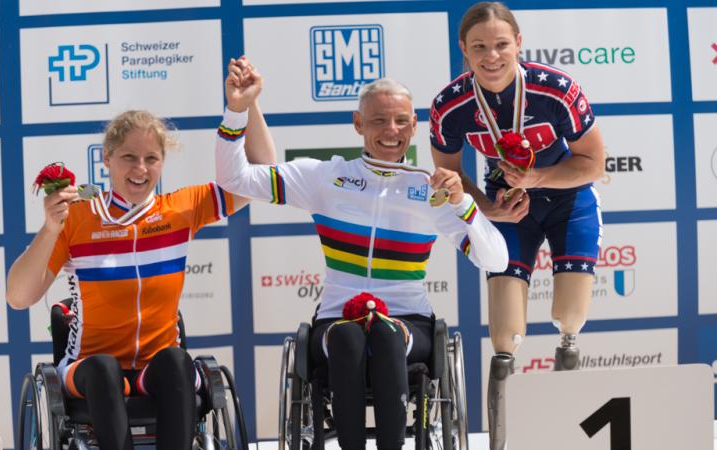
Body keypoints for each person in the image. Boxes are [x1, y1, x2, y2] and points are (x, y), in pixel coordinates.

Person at [216, 65, 508, 450]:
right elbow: (233, 179)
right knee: (350, 337)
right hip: (337, 320)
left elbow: (497, 261)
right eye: (379, 120)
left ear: (414, 127)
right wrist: (238, 111)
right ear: (358, 124)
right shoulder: (325, 177)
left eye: (401, 121)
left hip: (410, 322)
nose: (391, 131)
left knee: (385, 335)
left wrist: (464, 204)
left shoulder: (432, 190)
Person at [5, 58, 275, 450]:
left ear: (162, 163)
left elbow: (263, 175)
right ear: (106, 159)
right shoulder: (77, 218)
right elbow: (18, 297)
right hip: (88, 369)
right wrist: (49, 230)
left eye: (152, 159)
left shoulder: (181, 209)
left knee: (177, 361)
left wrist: (245, 105)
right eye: (129, 157)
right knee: (103, 367)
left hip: (155, 366)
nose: (141, 168)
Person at [429, 2, 606, 449]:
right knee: (505, 332)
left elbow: (594, 163)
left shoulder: (557, 90)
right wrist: (487, 208)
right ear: (463, 51)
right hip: (509, 205)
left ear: (519, 44)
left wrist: (538, 178)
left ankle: (571, 432)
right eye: (480, 47)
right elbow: (449, 173)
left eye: (501, 45)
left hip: (568, 198)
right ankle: (500, 440)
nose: (492, 56)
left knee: (570, 315)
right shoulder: (449, 106)